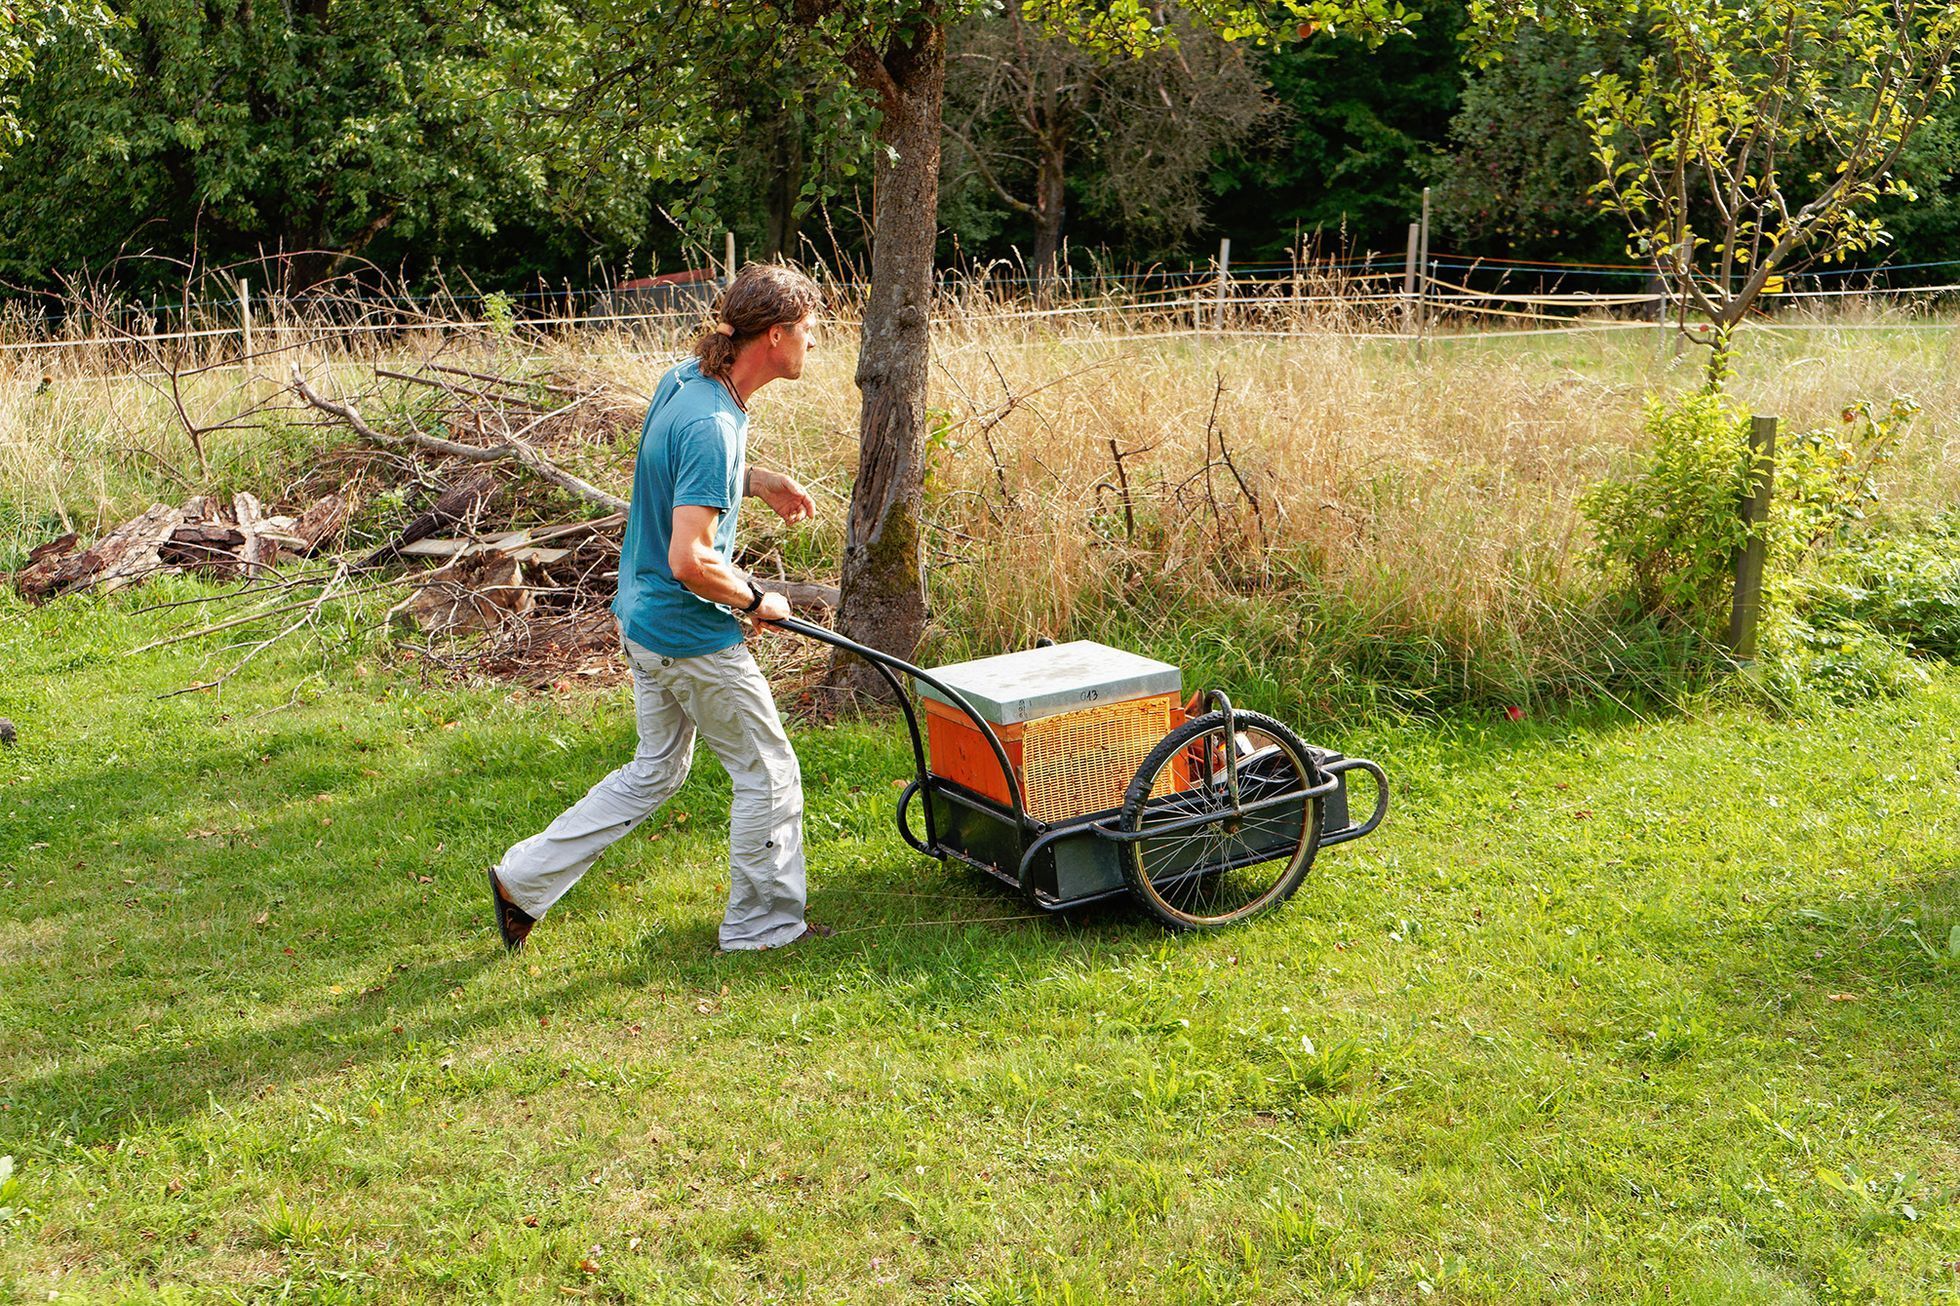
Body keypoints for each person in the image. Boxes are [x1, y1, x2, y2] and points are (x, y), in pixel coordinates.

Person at [487, 263, 830, 954]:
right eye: (810, 330)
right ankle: (762, 928)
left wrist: (758, 480)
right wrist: (760, 598)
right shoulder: (714, 425)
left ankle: (522, 880)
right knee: (769, 772)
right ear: (774, 335)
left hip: (640, 616)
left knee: (657, 769)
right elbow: (692, 561)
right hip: (685, 630)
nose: (815, 344)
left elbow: (679, 463)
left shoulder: (688, 379)